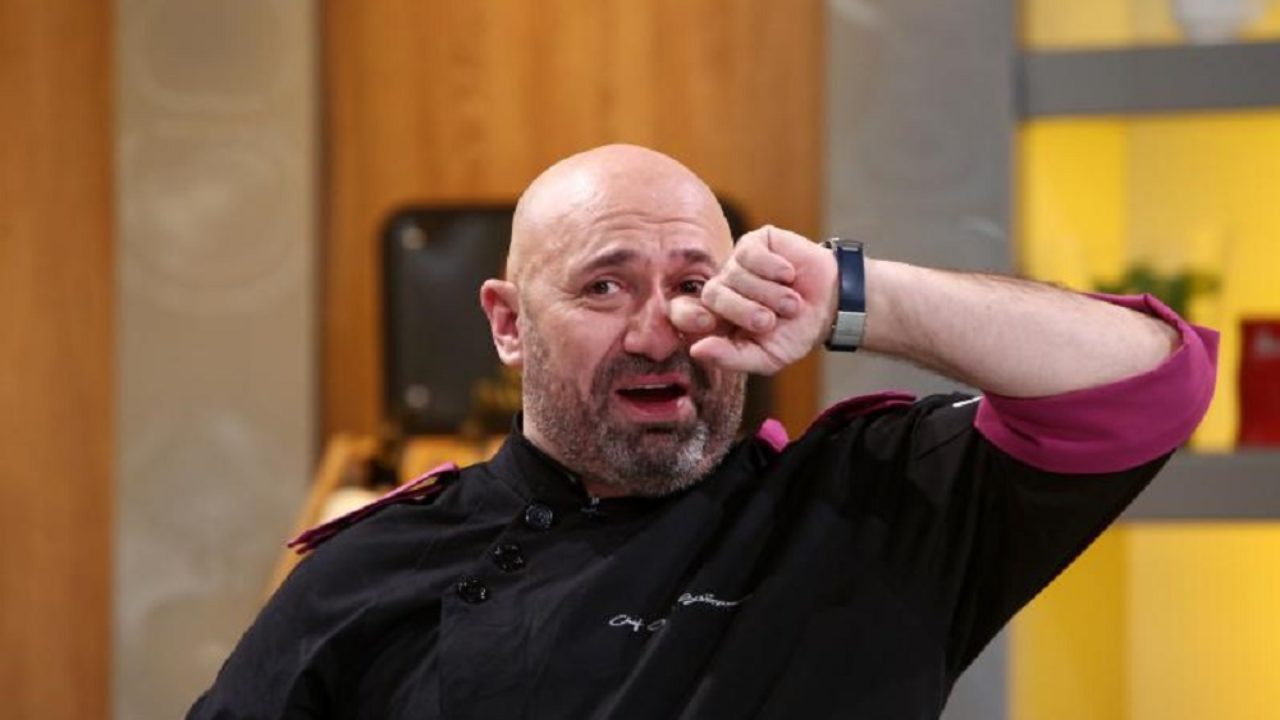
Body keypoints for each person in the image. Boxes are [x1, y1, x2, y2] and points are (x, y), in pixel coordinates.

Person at [189, 144, 1217, 719]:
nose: (660, 331)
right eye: (604, 287)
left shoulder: (869, 507)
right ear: (507, 324)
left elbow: (1152, 385)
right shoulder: (373, 568)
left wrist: (855, 295)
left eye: (694, 283)